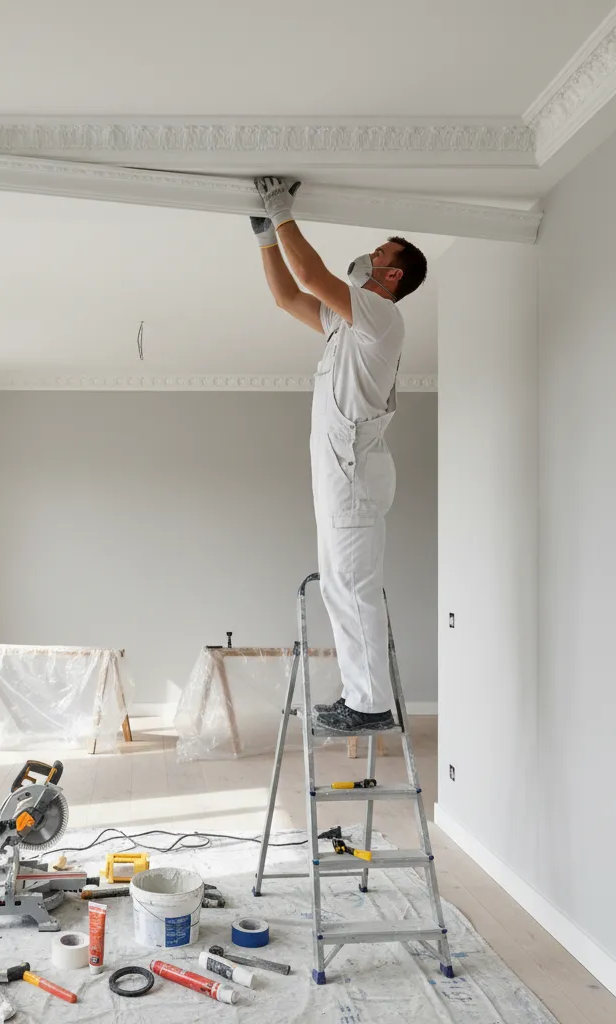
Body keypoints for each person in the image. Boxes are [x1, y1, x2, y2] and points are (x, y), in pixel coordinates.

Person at [251, 176, 428, 733]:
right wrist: (264, 237)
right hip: (336, 478)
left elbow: (310, 274)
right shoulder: (343, 326)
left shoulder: (381, 316)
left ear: (392, 274)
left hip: (352, 478)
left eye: (380, 252)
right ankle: (361, 696)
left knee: (352, 588)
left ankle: (371, 706)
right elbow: (287, 295)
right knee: (339, 589)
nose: (369, 254)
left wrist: (283, 212)